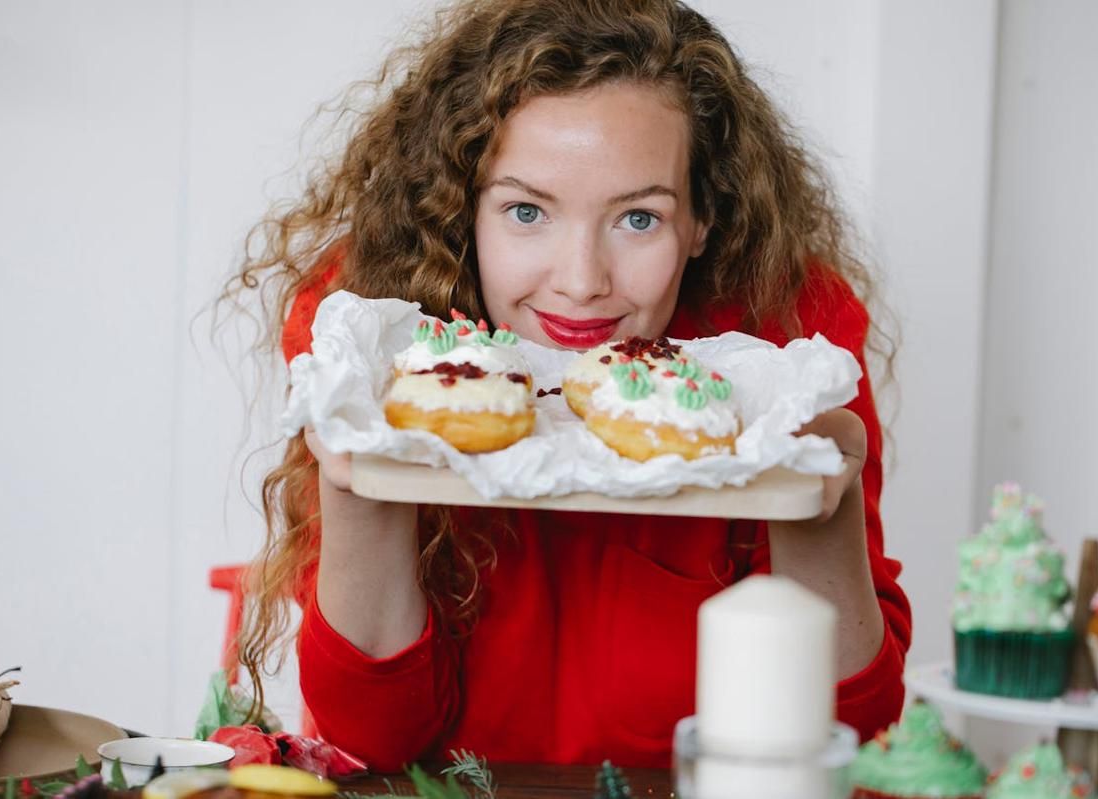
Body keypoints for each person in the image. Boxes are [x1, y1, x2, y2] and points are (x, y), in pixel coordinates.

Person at [230, 0, 911, 772]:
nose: (582, 281)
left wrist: (819, 504)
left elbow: (854, 735)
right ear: (462, 208)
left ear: (703, 218)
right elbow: (371, 740)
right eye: (527, 211)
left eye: (639, 219)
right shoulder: (369, 341)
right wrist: (360, 479)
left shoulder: (786, 352)